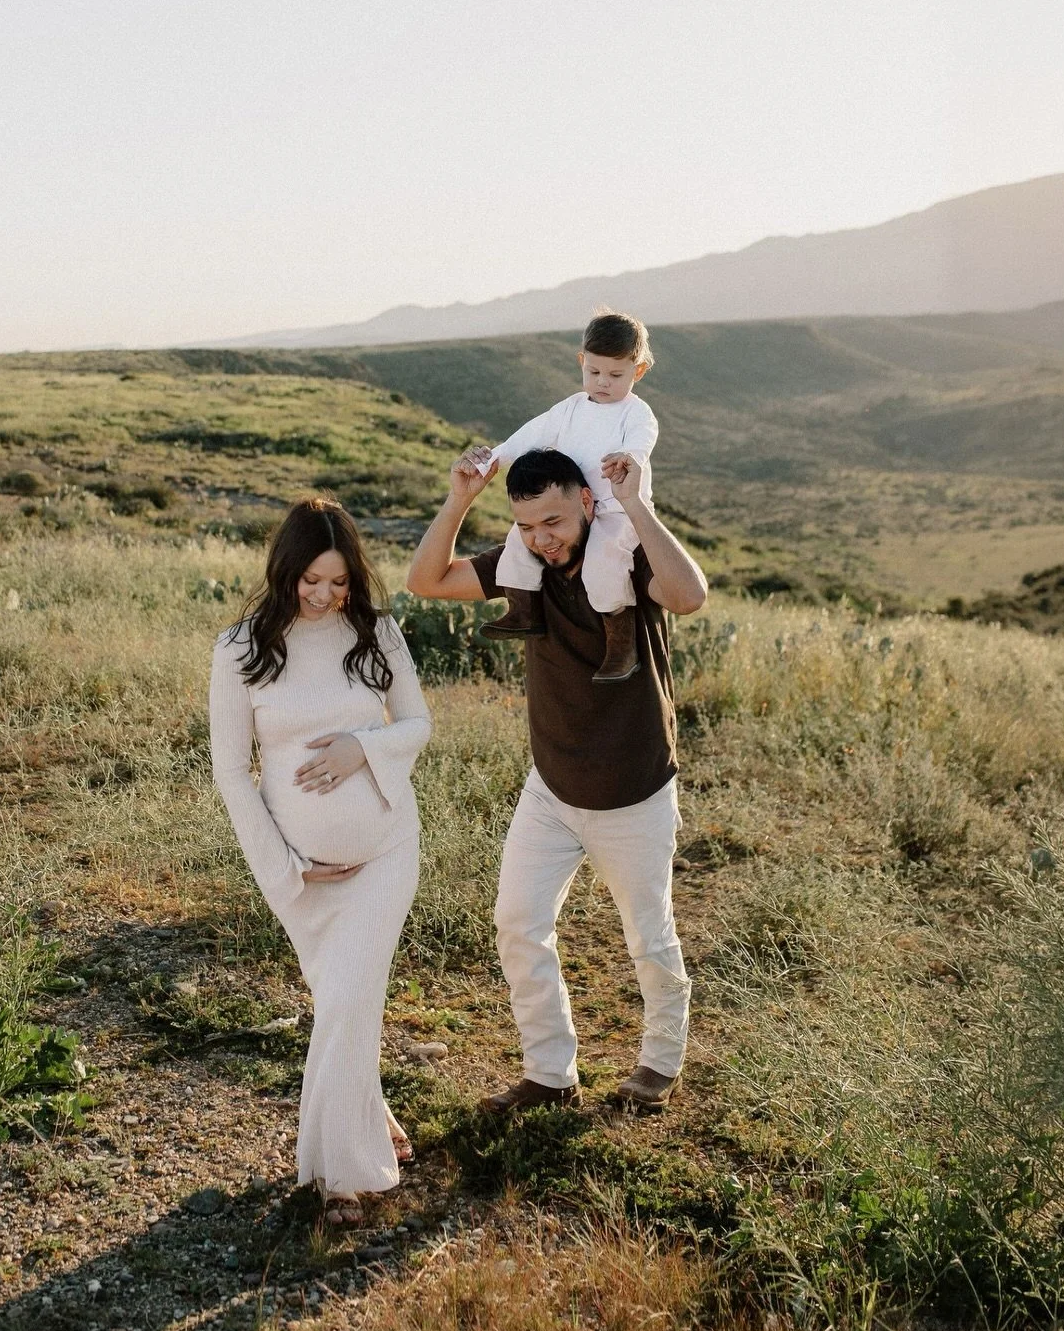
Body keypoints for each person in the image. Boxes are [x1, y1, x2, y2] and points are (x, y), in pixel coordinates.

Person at [406, 443, 707, 1115]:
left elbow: (689, 595)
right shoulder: (522, 568)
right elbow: (425, 581)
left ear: (587, 505)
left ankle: (659, 1063)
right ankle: (550, 1075)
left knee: (648, 937)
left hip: (635, 788)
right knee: (517, 923)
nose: (543, 539)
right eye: (527, 526)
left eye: (555, 522)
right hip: (551, 788)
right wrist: (459, 498)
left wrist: (635, 504)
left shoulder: (625, 559)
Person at [210, 496, 431, 1224]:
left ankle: (339, 1177)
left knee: (344, 999)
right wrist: (288, 863)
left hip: (386, 850)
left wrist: (360, 746)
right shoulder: (240, 650)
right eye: (311, 579)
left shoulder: (377, 634)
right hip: (301, 872)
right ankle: (369, 1117)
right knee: (345, 1000)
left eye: (338, 582)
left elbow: (420, 724)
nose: (325, 595)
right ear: (285, 570)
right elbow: (230, 772)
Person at [471, 311, 658, 683]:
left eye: (616, 375)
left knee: (604, 564)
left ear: (637, 371)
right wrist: (493, 458)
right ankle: (523, 610)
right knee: (517, 543)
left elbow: (642, 441)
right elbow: (532, 434)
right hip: (571, 509)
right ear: (581, 362)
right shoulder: (570, 409)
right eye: (594, 372)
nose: (603, 382)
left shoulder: (636, 413)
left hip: (617, 511)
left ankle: (621, 643)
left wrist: (630, 458)